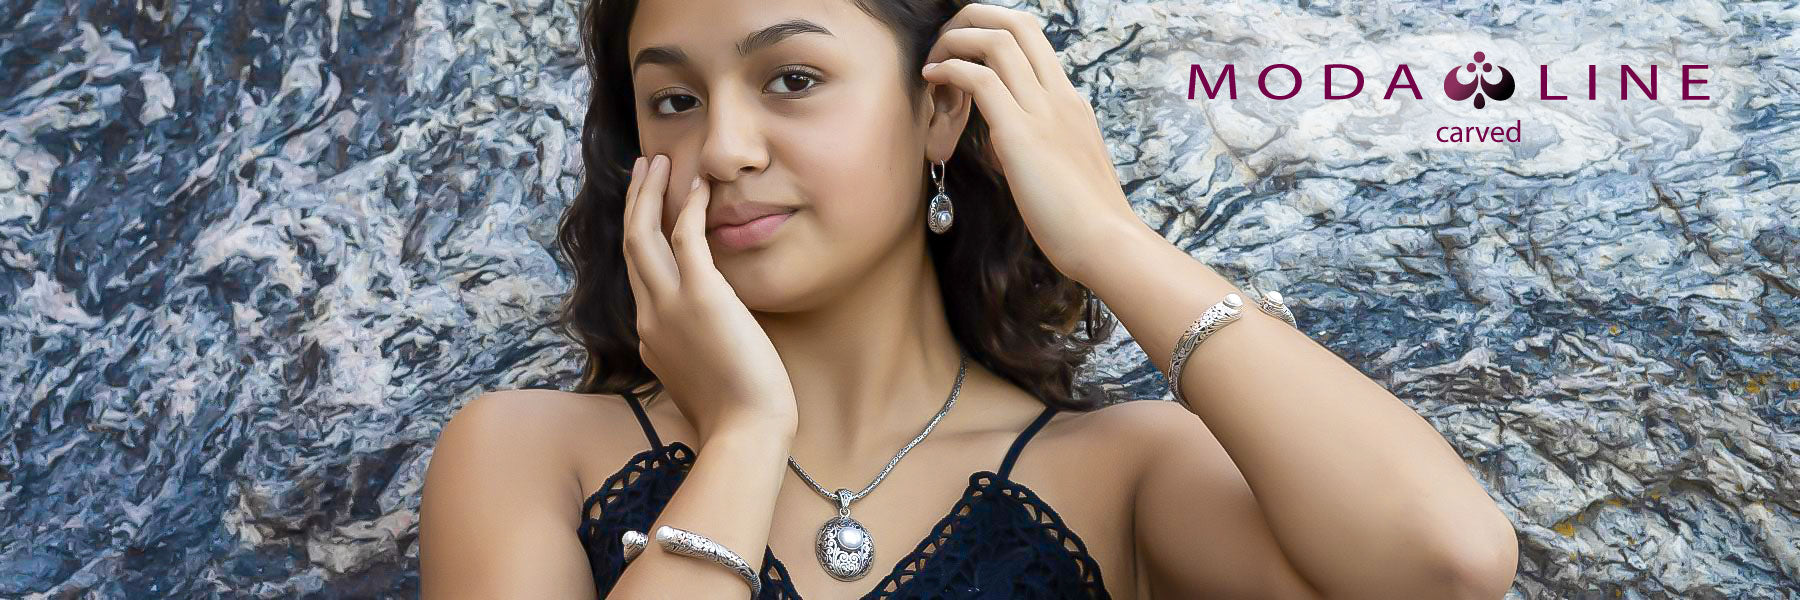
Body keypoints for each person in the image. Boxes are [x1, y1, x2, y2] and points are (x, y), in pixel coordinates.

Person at [419, 0, 1521, 598]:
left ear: (939, 114)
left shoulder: (1116, 474)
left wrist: (1104, 236)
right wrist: (747, 436)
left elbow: (1445, 565)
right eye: (671, 100)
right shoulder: (524, 455)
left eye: (791, 79)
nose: (724, 147)